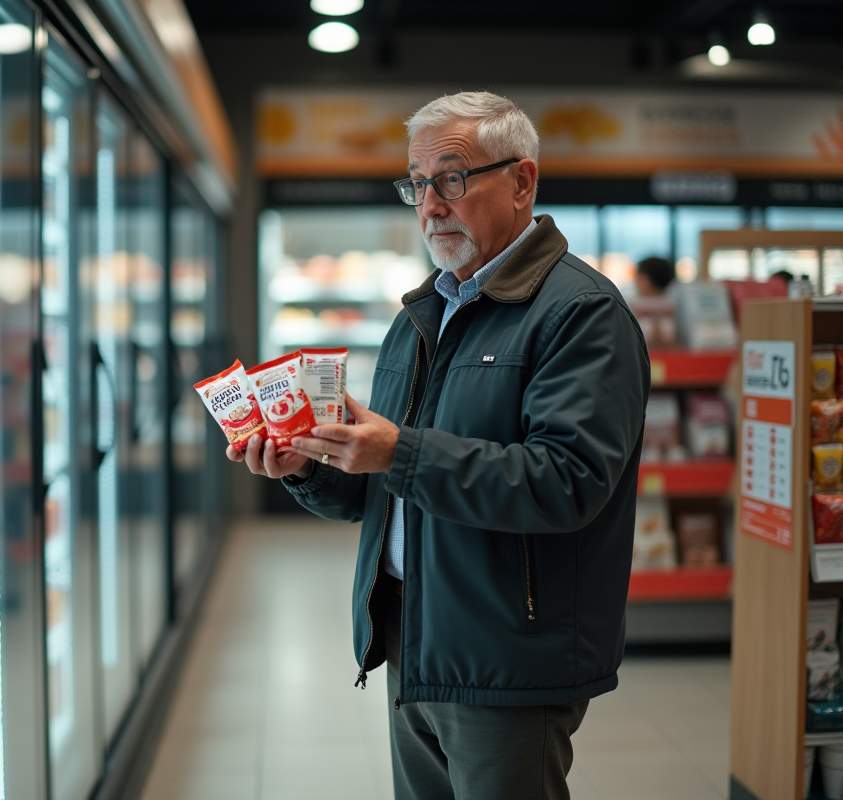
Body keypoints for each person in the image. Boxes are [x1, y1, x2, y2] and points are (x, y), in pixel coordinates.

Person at [227, 92, 649, 800]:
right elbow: (376, 492)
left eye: (451, 180)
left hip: (505, 653)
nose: (429, 206)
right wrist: (308, 466)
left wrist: (399, 452)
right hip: (412, 636)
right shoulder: (423, 314)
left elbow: (567, 482)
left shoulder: (581, 313)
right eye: (416, 184)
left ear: (522, 182)